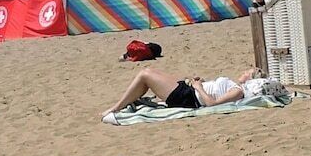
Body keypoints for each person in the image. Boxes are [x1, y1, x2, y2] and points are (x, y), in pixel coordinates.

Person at [104, 66, 272, 121]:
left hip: (188, 97)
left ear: (250, 79)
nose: (243, 72)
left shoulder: (238, 91)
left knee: (145, 74)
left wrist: (199, 87)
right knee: (149, 71)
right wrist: (202, 82)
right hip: (190, 91)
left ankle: (116, 108)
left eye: (246, 72)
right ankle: (123, 103)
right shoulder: (235, 86)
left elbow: (212, 105)